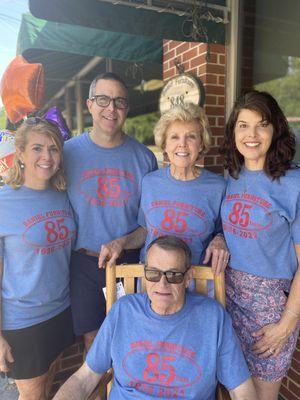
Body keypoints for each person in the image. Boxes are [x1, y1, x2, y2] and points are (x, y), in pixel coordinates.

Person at [53, 235, 257, 400]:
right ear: (144, 274)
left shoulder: (213, 318)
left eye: (174, 275)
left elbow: (241, 390)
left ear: (187, 278)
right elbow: (84, 378)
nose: (162, 285)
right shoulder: (123, 311)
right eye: (153, 274)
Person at [64, 72, 157, 349]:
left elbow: (149, 225)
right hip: (83, 264)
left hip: (129, 261)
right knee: (93, 345)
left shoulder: (144, 158)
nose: (111, 108)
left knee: (131, 339)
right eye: (103, 99)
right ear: (89, 104)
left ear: (127, 108)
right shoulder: (66, 154)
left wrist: (123, 242)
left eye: (119, 101)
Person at [220, 90, 300, 400]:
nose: (251, 135)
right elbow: (226, 230)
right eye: (243, 125)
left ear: (276, 129)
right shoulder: (231, 176)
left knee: (263, 395)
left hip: (270, 309)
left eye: (261, 124)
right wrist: (217, 237)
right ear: (234, 131)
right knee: (231, 388)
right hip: (228, 297)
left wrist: (286, 323)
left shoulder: (293, 184)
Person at [0, 117, 75, 400]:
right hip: (23, 321)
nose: (47, 157)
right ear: (20, 153)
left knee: (49, 383)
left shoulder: (63, 196)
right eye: (37, 148)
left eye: (54, 149)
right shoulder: (3, 203)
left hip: (60, 310)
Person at [138, 103, 230, 273]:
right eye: (174, 137)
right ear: (164, 145)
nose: (183, 144)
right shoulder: (149, 183)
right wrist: (120, 243)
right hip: (152, 280)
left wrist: (221, 239)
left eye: (191, 137)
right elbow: (144, 230)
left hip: (197, 280)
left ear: (202, 144)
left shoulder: (218, 187)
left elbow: (225, 231)